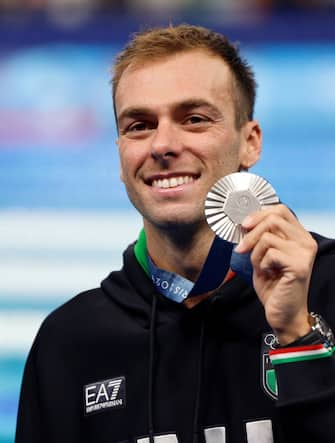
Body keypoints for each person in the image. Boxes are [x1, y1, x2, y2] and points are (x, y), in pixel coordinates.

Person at [15, 24, 335, 443]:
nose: (162, 145)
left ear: (249, 142)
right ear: (120, 153)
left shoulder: (327, 285)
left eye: (194, 119)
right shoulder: (71, 342)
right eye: (139, 125)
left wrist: (298, 337)